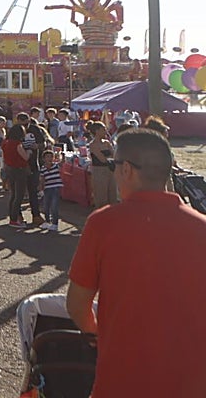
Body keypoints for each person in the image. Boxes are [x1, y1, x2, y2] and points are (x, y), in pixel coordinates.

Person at [66, 128, 206, 397]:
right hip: (191, 381)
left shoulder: (103, 224)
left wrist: (96, 334)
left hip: (122, 377)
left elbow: (77, 304)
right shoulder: (201, 227)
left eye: (114, 164)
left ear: (126, 169)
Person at [1, 118, 32, 229]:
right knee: (19, 196)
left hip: (10, 169)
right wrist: (29, 151)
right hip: (19, 170)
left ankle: (13, 217)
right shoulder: (17, 144)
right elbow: (25, 157)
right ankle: (14, 219)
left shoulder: (5, 142)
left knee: (13, 194)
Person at [86, 120, 118, 208]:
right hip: (99, 172)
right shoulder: (93, 145)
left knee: (112, 195)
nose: (106, 131)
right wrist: (110, 158)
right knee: (101, 196)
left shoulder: (107, 143)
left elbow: (114, 155)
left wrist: (111, 159)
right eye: (103, 129)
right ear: (97, 131)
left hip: (110, 171)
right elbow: (102, 159)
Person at [38, 149, 63, 232]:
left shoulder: (56, 166)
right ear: (43, 159)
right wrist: (41, 189)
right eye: (47, 157)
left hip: (56, 187)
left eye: (51, 157)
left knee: (54, 206)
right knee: (46, 206)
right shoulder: (43, 168)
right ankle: (47, 221)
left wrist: (61, 154)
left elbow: (62, 162)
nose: (49, 158)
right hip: (47, 188)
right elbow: (42, 179)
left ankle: (55, 224)